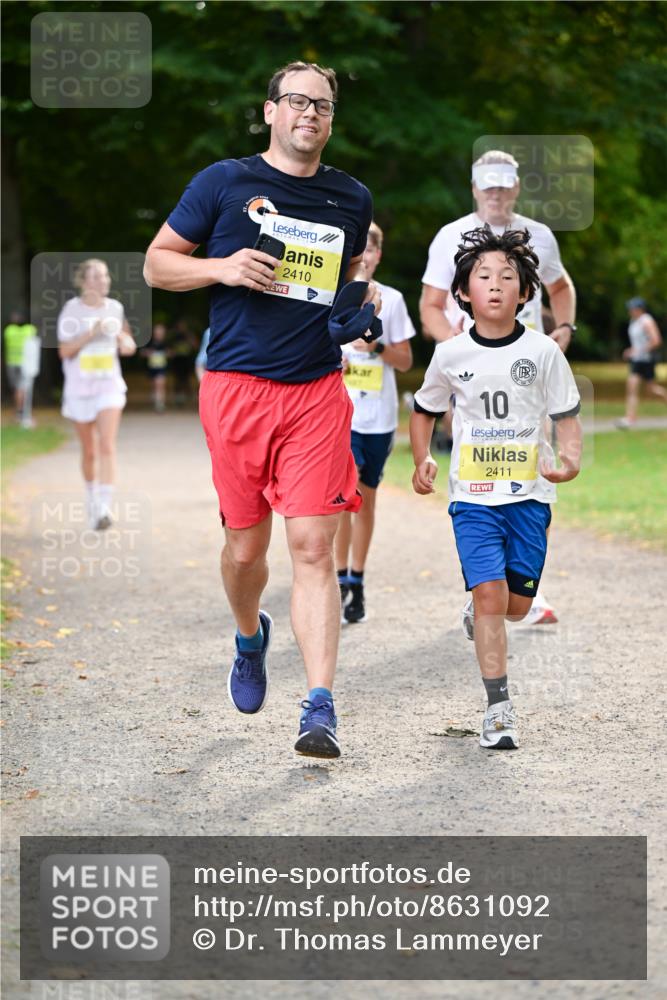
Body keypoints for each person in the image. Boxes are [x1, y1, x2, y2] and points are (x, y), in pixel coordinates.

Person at [144, 61, 380, 759]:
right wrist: (219, 268)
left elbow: (343, 294)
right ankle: (250, 635)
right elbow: (157, 264)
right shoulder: (223, 183)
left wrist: (350, 321)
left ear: (330, 121)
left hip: (314, 392)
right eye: (298, 101)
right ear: (271, 110)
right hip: (236, 391)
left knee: (311, 548)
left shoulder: (350, 198)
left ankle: (319, 706)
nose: (311, 113)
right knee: (246, 550)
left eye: (324, 105)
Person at [410, 226, 582, 750]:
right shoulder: (450, 353)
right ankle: (499, 708)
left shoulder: (545, 352)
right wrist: (422, 459)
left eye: (507, 277)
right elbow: (424, 408)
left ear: (525, 294)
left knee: (514, 607)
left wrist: (569, 461)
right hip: (473, 498)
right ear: (462, 292)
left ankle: (483, 612)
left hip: (529, 497)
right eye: (482, 276)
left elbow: (567, 414)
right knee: (489, 597)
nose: (495, 284)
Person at [419, 149, 578, 627]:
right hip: (471, 374)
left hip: (525, 372)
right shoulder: (450, 237)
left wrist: (564, 330)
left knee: (530, 469)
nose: (494, 193)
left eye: (502, 184)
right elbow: (430, 303)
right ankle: (483, 584)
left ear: (515, 187)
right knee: (479, 467)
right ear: (474, 188)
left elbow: (561, 288)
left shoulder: (540, 236)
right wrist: (455, 349)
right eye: (486, 185)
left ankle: (518, 587)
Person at [335, 221, 415, 624]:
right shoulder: (333, 295)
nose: (364, 256)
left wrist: (377, 346)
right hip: (339, 412)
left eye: (371, 249)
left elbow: (405, 360)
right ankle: (338, 579)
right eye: (358, 249)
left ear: (379, 254)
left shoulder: (395, 300)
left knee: (364, 498)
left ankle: (358, 578)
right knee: (339, 496)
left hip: (378, 416)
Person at [57, 258, 136, 530]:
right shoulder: (71, 310)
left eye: (106, 276)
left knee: (106, 445)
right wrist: (91, 333)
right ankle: (92, 499)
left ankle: (104, 508)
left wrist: (121, 340)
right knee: (89, 450)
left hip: (109, 385)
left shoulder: (115, 308)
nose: (105, 281)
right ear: (85, 281)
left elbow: (129, 346)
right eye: (98, 277)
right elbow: (64, 351)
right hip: (80, 388)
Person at [616, 297, 666, 429]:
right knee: (632, 386)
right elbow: (638, 344)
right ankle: (630, 418)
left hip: (647, 360)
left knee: (652, 389)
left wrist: (638, 351)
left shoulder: (646, 321)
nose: (629, 311)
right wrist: (631, 351)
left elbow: (656, 340)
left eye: (632, 308)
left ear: (639, 309)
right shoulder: (634, 322)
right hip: (637, 360)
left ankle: (631, 417)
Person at [3, 310, 37, 421]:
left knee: (18, 388)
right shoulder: (29, 330)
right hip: (25, 363)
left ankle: (20, 410)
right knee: (21, 388)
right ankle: (21, 410)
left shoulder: (8, 331)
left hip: (12, 363)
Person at [143, 322, 169, 411]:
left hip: (162, 368)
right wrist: (148, 353)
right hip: (151, 367)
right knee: (154, 385)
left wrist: (166, 353)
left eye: (161, 332)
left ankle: (160, 404)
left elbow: (172, 351)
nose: (159, 334)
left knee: (160, 384)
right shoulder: (149, 342)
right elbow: (142, 352)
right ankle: (156, 399)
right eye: (158, 332)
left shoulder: (166, 342)